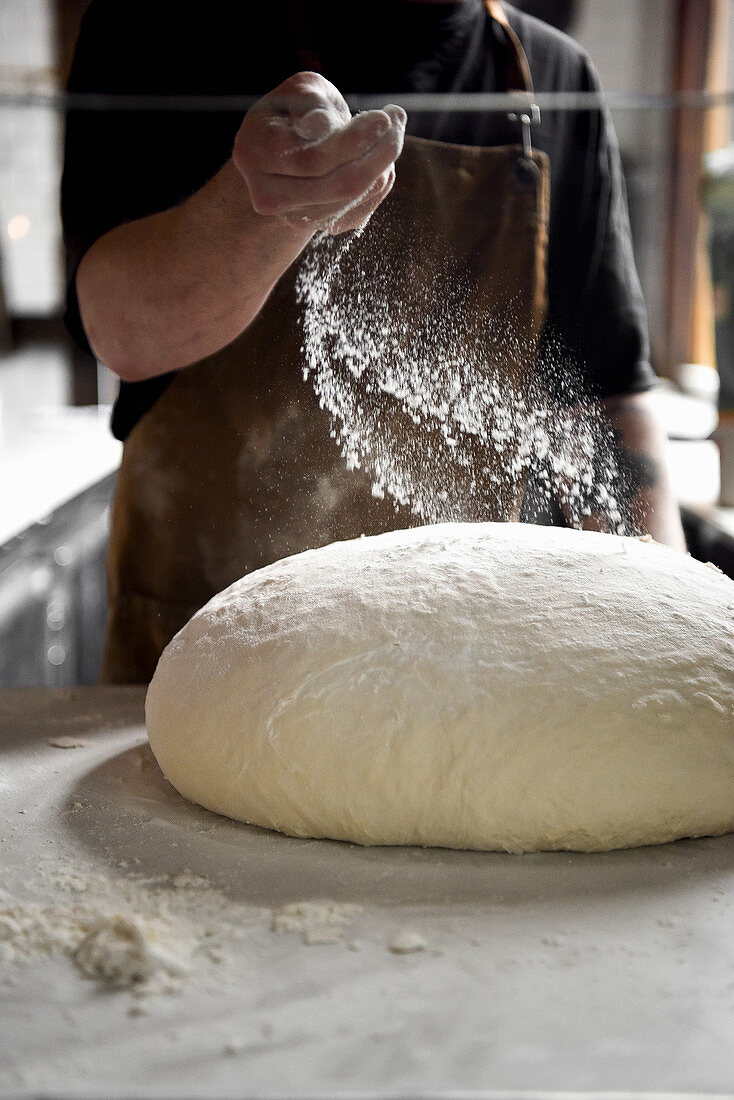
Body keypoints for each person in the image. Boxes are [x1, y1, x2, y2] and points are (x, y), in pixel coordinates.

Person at [62, 0, 686, 684]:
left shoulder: (550, 73)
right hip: (210, 653)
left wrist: (665, 638)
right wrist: (261, 208)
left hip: (461, 668)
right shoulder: (154, 28)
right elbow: (122, 333)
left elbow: (606, 402)